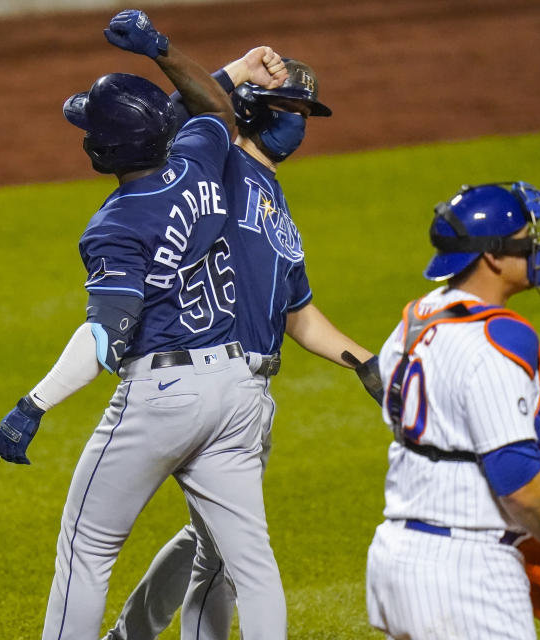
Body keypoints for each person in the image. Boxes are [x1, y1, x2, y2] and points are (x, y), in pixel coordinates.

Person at [0, 9, 294, 640]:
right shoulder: (200, 160)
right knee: (252, 566)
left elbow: (105, 336)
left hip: (163, 396)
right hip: (237, 390)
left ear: (99, 153)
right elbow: (212, 105)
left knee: (86, 548)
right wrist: (163, 49)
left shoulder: (114, 226)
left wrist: (34, 403)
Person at [102, 56, 381, 640]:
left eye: (307, 113)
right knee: (228, 554)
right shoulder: (218, 165)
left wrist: (366, 363)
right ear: (252, 109)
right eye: (290, 109)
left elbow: (299, 314)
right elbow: (178, 113)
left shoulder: (275, 200)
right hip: (203, 378)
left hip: (248, 395)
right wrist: (218, 68)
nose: (300, 123)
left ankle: (129, 635)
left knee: (212, 539)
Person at [365, 182, 540, 639]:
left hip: (395, 557)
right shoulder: (498, 340)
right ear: (492, 256)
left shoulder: (413, 321)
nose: (536, 248)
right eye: (525, 240)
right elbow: (516, 479)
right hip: (465, 574)